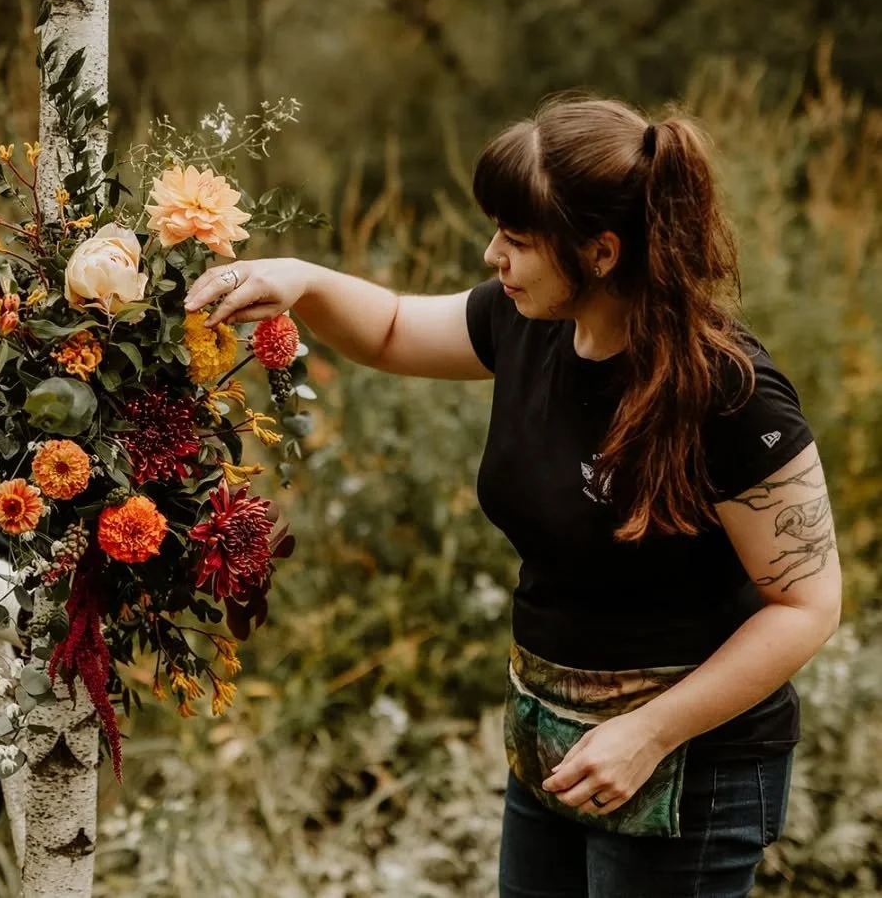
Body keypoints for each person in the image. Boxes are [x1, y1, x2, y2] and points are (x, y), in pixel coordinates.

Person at [183, 96, 843, 898]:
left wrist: (646, 731)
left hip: (685, 772)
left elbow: (805, 604)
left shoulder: (731, 393)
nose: (492, 254)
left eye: (518, 239)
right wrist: (300, 279)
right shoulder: (527, 320)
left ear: (600, 251)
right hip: (548, 742)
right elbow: (391, 327)